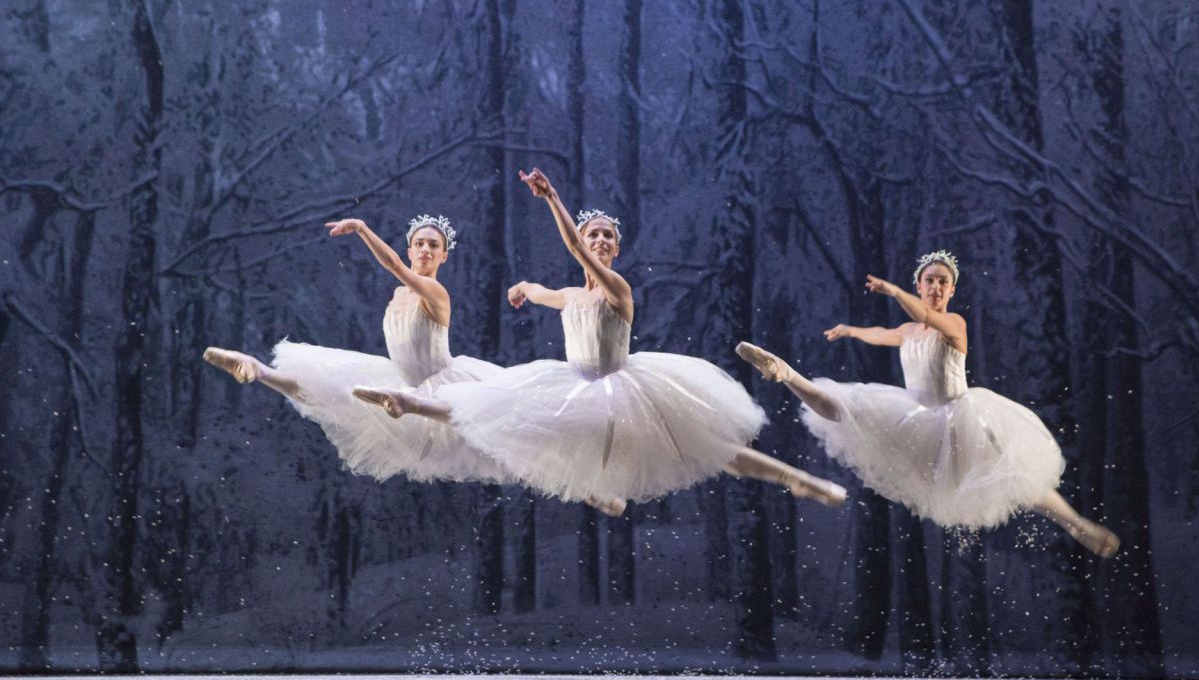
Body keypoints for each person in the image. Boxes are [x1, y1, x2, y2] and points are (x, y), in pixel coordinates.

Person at [353, 168, 847, 509]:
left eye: (608, 236)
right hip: (575, 384)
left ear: (615, 249)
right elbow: (548, 293)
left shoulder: (617, 289)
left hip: (625, 388)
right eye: (595, 234)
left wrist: (552, 199)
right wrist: (525, 288)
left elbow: (573, 249)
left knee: (709, 451)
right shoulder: (574, 295)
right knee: (504, 414)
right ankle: (410, 404)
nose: (600, 241)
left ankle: (797, 479)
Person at [736, 250, 1120, 557]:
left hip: (961, 418)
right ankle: (786, 372)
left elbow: (924, 315)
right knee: (843, 406)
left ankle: (1075, 524)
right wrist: (852, 330)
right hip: (916, 415)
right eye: (930, 280)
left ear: (951, 291)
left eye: (943, 282)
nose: (936, 287)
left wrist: (893, 292)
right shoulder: (908, 330)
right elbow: (884, 333)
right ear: (920, 285)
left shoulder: (955, 324)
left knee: (1013, 476)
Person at [202, 214, 514, 488]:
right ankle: (257, 370)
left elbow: (393, 265)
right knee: (323, 388)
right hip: (400, 380)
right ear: (410, 250)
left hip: (439, 384)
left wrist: (362, 229)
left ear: (444, 256)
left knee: (485, 428)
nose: (425, 250)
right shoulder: (398, 295)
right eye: (419, 244)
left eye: (434, 245)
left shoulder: (436, 292)